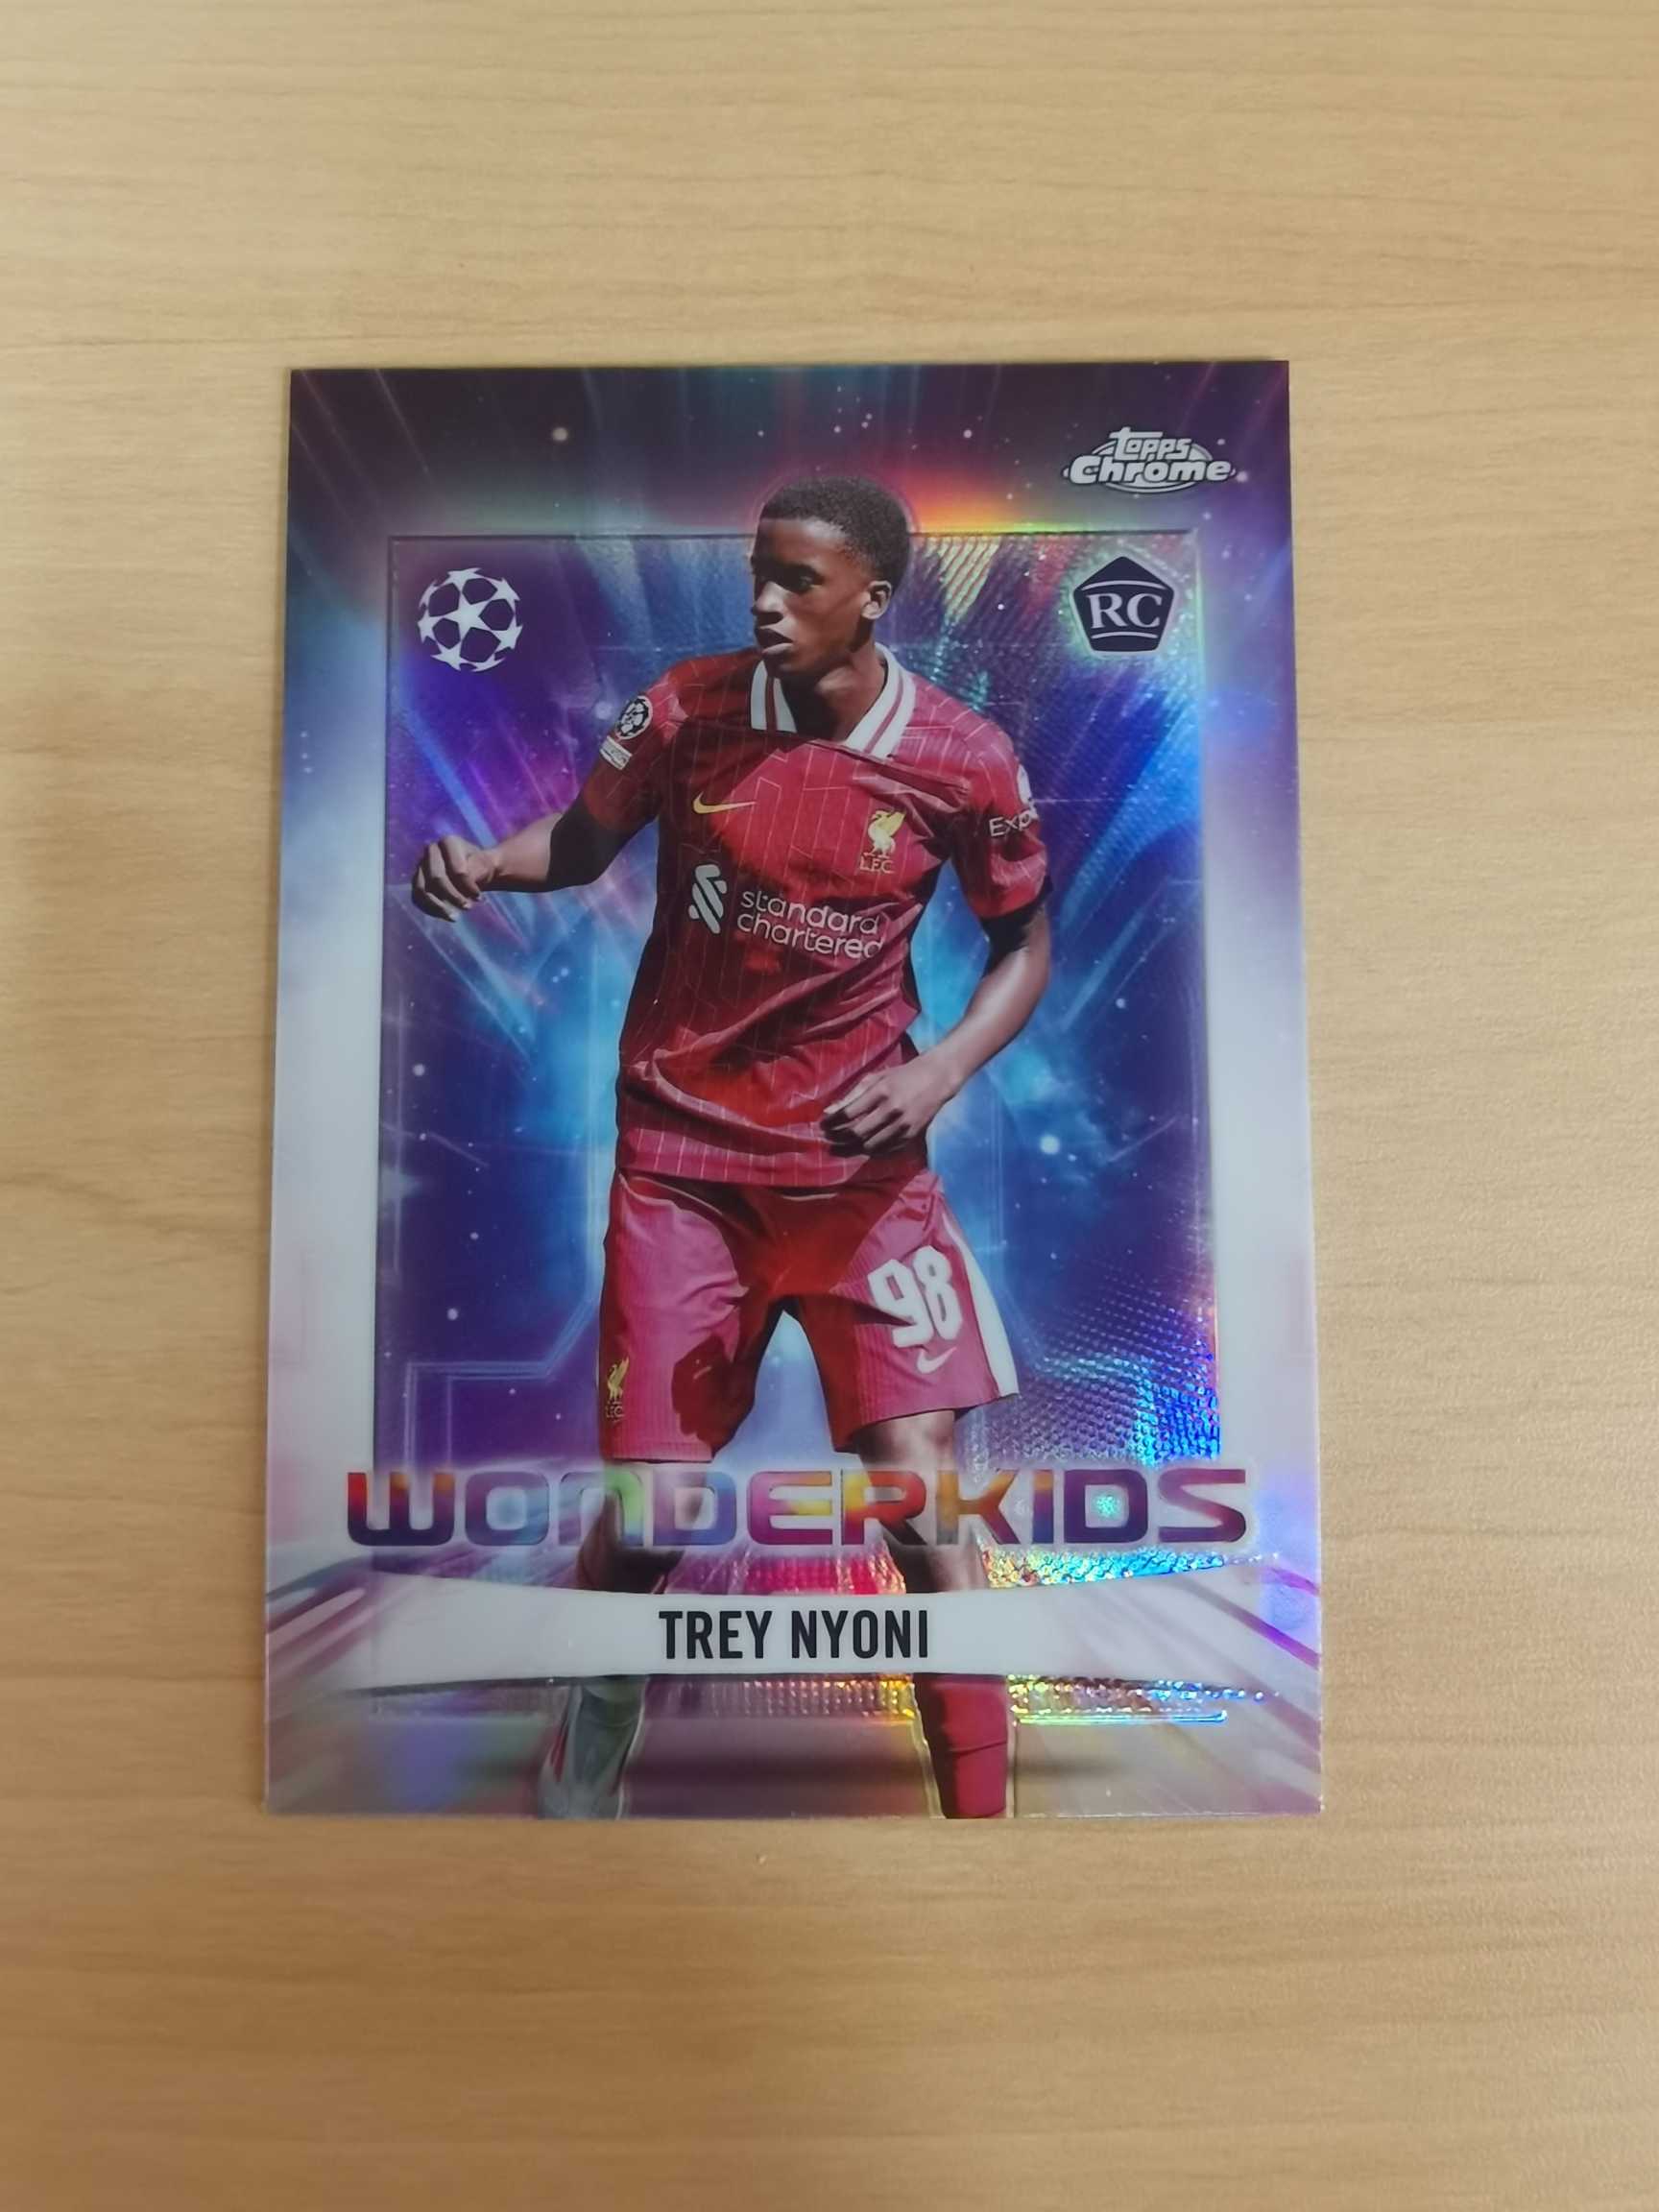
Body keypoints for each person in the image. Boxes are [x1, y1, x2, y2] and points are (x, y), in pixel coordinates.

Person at [412, 475, 1050, 1817]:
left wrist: (938, 1071)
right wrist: (485, 862)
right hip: (685, 1174)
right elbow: (582, 841)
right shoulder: (685, 712)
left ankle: (989, 1829)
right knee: (650, 1522)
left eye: (798, 581)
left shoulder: (964, 757)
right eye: (758, 572)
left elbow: (1022, 943)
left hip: (862, 1187)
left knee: (926, 1505)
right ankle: (574, 1796)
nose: (764, 600)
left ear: (873, 597)